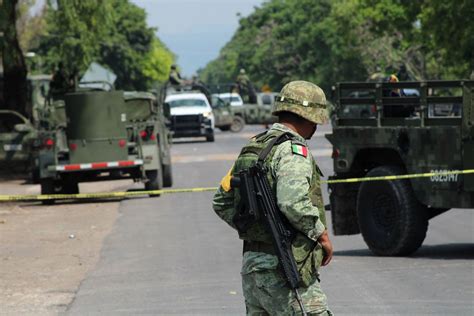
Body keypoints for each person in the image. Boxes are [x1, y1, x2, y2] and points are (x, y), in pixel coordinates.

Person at [213, 80, 334, 315]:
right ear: (309, 117)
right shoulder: (292, 151)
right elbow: (292, 202)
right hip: (284, 267)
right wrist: (322, 235)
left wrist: (255, 227)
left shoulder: (254, 148)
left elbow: (221, 201)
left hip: (253, 267)